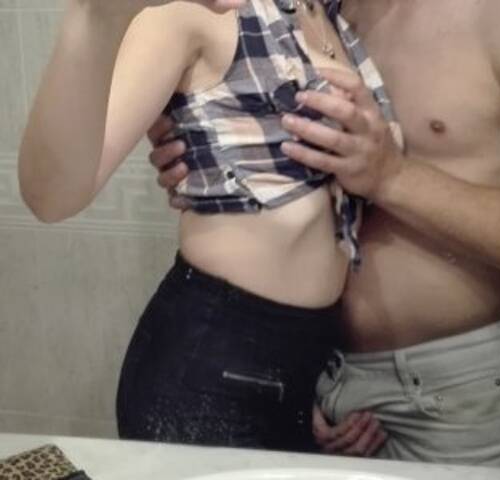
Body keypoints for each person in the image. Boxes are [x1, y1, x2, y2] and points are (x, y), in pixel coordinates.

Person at [148, 0, 500, 475]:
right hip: (300, 373)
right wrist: (209, 150)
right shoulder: (312, 9)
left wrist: (392, 177)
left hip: (453, 408)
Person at [17, 0, 401, 452]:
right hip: (210, 368)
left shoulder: (327, 17)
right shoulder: (194, 11)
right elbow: (53, 196)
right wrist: (92, 15)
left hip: (302, 366)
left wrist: (311, 382)